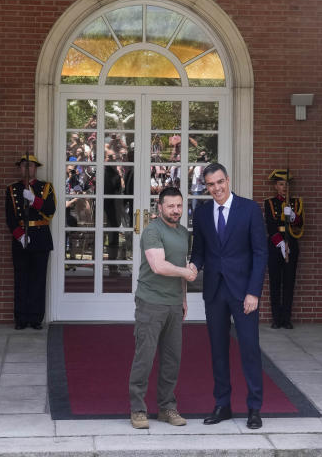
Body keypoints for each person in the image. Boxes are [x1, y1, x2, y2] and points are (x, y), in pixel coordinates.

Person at [188, 162, 268, 430]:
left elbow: (260, 253)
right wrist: (191, 268)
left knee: (249, 349)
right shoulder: (200, 214)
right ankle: (222, 404)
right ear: (206, 186)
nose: (216, 188)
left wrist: (253, 292)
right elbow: (199, 251)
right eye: (210, 184)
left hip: (244, 292)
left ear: (228, 180)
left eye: (220, 182)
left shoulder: (249, 210)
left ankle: (254, 407)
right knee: (218, 350)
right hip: (214, 292)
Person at [128, 187, 197, 429]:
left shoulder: (183, 233)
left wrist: (184, 298)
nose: (176, 210)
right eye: (170, 206)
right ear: (160, 207)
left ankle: (167, 407)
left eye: (179, 206)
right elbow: (158, 265)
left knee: (172, 359)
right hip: (151, 302)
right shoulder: (151, 231)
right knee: (144, 357)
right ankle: (137, 409)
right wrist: (186, 272)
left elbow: (179, 266)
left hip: (174, 303)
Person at [5, 153, 55, 330]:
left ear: (35, 168)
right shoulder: (12, 189)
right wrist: (20, 235)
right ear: (20, 168)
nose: (27, 169)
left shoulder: (45, 187)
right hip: (21, 239)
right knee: (21, 279)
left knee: (38, 280)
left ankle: (35, 318)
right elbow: (10, 217)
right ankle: (21, 318)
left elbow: (50, 210)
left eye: (31, 166)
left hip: (40, 237)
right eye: (24, 166)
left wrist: (34, 200)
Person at [263, 170, 304, 330]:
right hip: (276, 245)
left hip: (291, 243)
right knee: (275, 282)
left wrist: (293, 216)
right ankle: (276, 318)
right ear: (275, 186)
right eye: (281, 184)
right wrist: (280, 244)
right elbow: (270, 225)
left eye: (286, 184)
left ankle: (286, 318)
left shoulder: (296, 202)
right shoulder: (270, 202)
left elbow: (301, 224)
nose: (284, 187)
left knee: (289, 282)